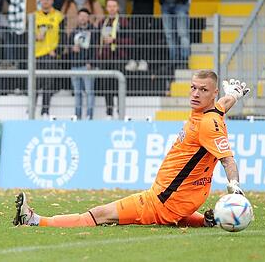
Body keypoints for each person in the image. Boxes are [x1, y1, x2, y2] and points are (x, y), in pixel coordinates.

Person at [14, 72, 251, 228]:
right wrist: (235, 95)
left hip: (159, 202)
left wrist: (234, 187)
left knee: (99, 214)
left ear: (213, 93)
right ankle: (205, 222)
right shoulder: (212, 111)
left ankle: (34, 221)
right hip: (179, 202)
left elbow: (227, 160)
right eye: (193, 88)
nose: (196, 94)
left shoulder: (209, 124)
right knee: (173, 216)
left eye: (203, 90)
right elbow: (223, 105)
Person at [96, 0, 130, 116]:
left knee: (119, 85)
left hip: (118, 58)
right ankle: (109, 112)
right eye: (109, 6)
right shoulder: (102, 23)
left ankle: (121, 112)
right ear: (106, 8)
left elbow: (130, 41)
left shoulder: (124, 22)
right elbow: (97, 41)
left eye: (114, 6)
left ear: (118, 8)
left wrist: (114, 40)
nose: (111, 9)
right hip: (105, 58)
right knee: (106, 87)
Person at [34, 0, 63, 118]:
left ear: (52, 1)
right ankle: (31, 110)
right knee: (34, 84)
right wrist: (35, 36)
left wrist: (57, 51)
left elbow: (63, 37)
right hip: (36, 54)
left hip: (51, 55)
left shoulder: (59, 16)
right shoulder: (34, 16)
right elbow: (26, 36)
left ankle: (45, 111)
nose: (45, 1)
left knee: (48, 84)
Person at [64, 9, 97, 119]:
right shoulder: (74, 32)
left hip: (87, 66)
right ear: (78, 17)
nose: (82, 18)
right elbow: (67, 47)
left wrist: (90, 62)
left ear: (88, 18)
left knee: (89, 91)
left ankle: (89, 115)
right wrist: (72, 48)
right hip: (75, 65)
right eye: (80, 16)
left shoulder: (94, 31)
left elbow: (96, 49)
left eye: (85, 16)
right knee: (77, 92)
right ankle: (77, 115)